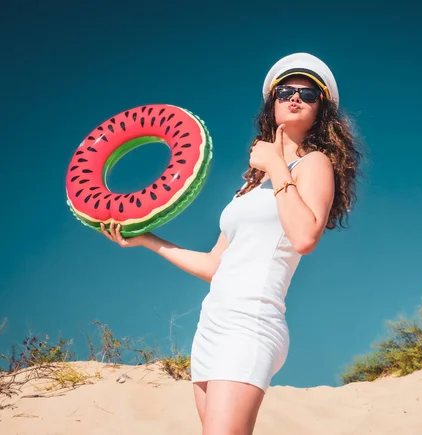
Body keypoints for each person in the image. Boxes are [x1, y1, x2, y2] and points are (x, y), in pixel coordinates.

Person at [100, 52, 362, 434]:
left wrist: (275, 165)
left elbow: (305, 237)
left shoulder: (314, 164)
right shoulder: (250, 185)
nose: (294, 98)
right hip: (213, 323)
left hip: (251, 320)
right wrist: (148, 240)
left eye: (308, 94)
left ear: (321, 109)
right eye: (285, 90)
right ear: (271, 102)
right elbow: (215, 265)